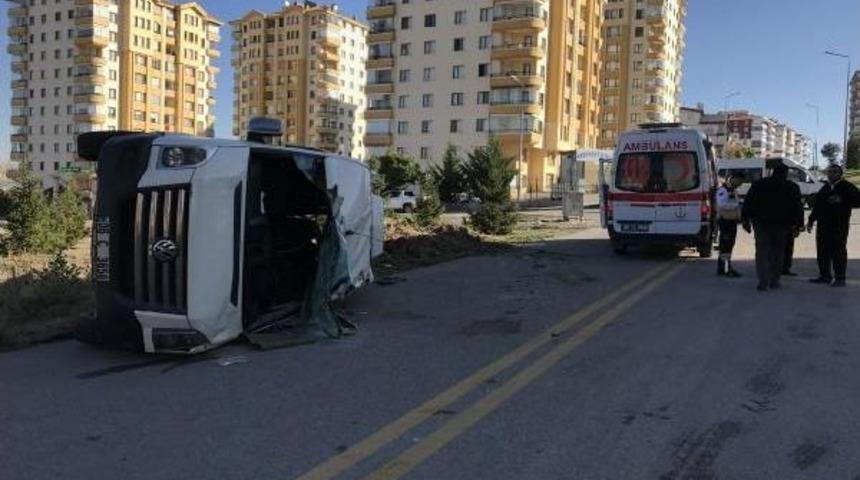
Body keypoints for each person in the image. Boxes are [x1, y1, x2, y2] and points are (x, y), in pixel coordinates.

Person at [741, 162, 805, 291]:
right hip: (782, 225)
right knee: (778, 252)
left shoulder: (759, 184)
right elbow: (798, 208)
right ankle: (775, 281)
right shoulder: (792, 187)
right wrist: (798, 225)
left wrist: (745, 221)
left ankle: (763, 281)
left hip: (761, 224)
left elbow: (748, 203)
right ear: (786, 174)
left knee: (762, 252)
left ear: (773, 172)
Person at [807, 164, 860, 287]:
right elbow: (817, 207)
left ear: (840, 174)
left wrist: (842, 200)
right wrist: (810, 220)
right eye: (829, 172)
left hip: (839, 225)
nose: (831, 174)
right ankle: (825, 276)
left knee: (838, 252)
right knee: (822, 251)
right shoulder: (825, 188)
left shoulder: (847, 187)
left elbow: (858, 201)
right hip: (823, 225)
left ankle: (840, 278)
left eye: (834, 172)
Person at [716, 175, 744, 277]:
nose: (740, 184)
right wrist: (737, 205)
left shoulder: (732, 190)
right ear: (733, 178)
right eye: (739, 182)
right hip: (725, 222)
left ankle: (724, 268)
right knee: (725, 246)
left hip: (731, 222)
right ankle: (726, 269)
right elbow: (722, 204)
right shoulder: (723, 190)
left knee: (728, 246)